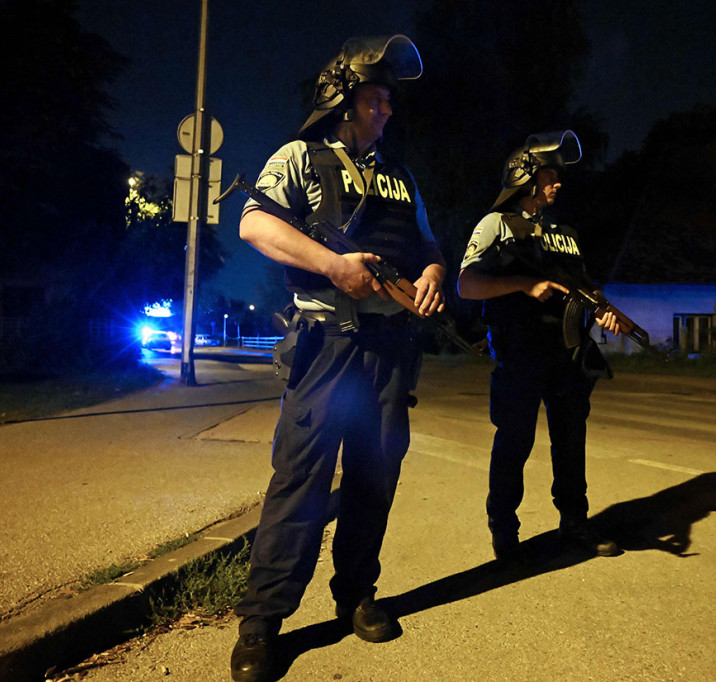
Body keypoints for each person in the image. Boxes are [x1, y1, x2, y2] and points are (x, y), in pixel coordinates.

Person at [229, 35, 445, 682]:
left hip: (387, 352)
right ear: (343, 101)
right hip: (324, 348)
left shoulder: (400, 177)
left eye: (388, 102)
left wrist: (434, 273)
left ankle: (356, 595)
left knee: (375, 481)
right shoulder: (300, 156)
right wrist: (333, 266)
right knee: (298, 484)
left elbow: (429, 244)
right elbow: (254, 225)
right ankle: (261, 625)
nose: (385, 111)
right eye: (374, 99)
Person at [457, 130, 622, 563]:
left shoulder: (566, 232)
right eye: (550, 173)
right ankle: (505, 531)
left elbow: (584, 288)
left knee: (571, 441)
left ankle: (575, 522)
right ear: (526, 176)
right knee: (515, 441)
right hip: (519, 355)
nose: (558, 182)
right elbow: (467, 284)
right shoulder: (496, 224)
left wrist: (604, 310)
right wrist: (523, 284)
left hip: (566, 355)